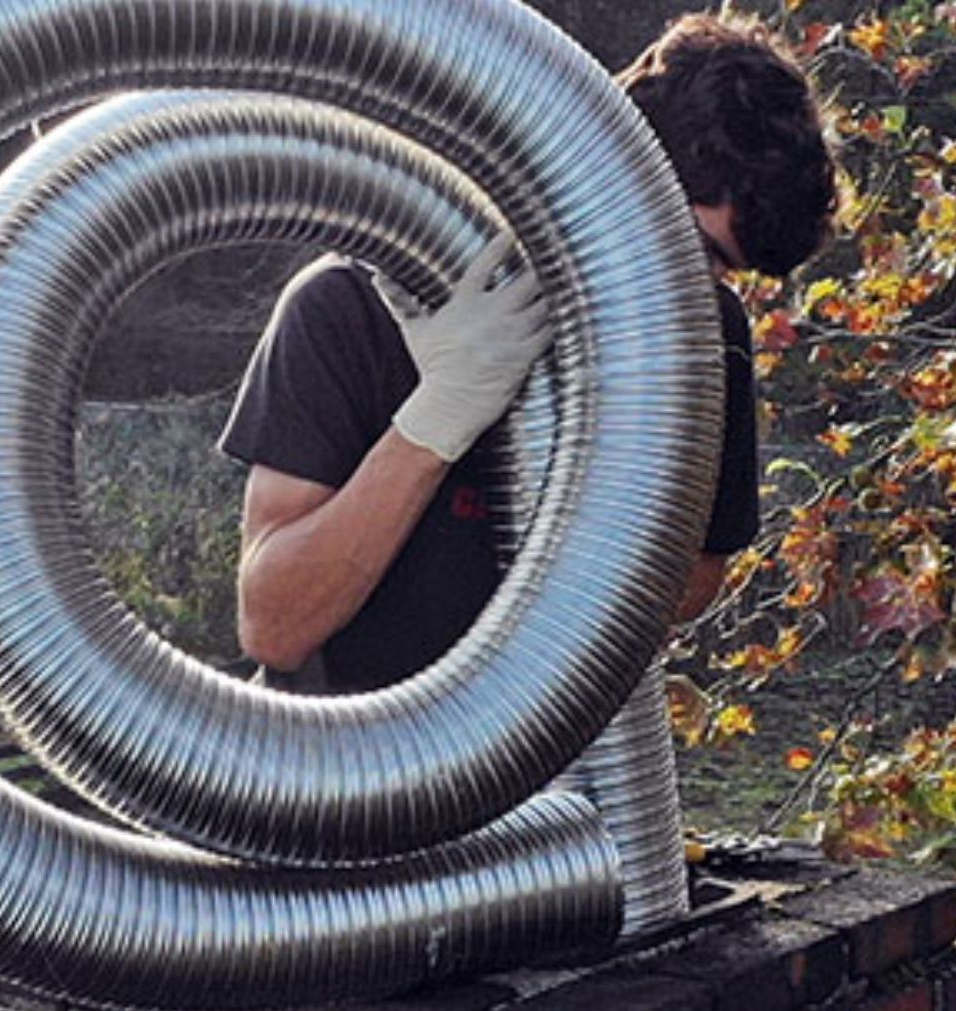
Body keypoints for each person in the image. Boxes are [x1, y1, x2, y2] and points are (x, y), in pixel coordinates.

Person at [220, 12, 839, 693]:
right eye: (692, 251)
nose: (693, 291)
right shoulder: (349, 305)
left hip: (549, 778)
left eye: (722, 273)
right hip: (342, 775)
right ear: (615, 177)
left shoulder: (702, 333)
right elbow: (275, 626)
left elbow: (696, 578)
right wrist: (438, 418)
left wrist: (617, 477)